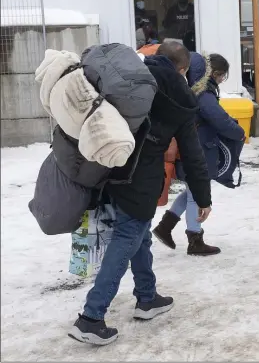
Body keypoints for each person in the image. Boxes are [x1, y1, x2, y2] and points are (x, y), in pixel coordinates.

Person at [69, 41, 212, 346]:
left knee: (139, 234)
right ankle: (91, 317)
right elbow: (193, 154)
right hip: (142, 178)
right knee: (127, 237)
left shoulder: (130, 78)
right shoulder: (182, 99)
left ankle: (147, 297)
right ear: (183, 69)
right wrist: (203, 197)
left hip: (108, 166)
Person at [153, 53, 245, 255]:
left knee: (191, 192)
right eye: (222, 75)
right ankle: (195, 240)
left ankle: (165, 227)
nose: (222, 79)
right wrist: (238, 132)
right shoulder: (204, 93)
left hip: (194, 146)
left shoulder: (195, 88)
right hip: (198, 148)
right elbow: (217, 117)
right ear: (215, 73)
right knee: (196, 193)